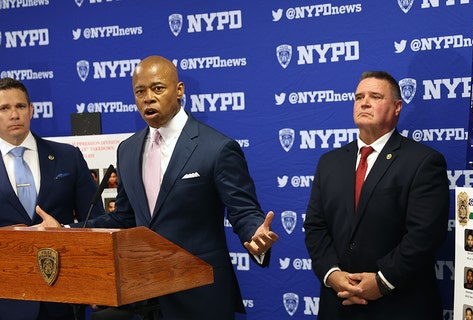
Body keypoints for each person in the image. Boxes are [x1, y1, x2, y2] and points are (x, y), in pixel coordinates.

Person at [36, 56, 278, 319]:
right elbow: (124, 217)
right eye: (140, 91)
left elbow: (243, 211)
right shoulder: (127, 149)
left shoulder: (216, 148)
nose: (148, 98)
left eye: (158, 88)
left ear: (179, 90)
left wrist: (256, 236)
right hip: (143, 297)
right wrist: (66, 230)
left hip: (199, 295)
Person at [0, 77, 104, 320]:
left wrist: (97, 283)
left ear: (31, 110)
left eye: (20, 106)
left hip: (65, 294)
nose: (14, 114)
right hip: (4, 301)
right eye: (4, 108)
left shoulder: (68, 157)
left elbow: (95, 223)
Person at [303, 71, 449, 319]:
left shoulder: (423, 161)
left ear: (397, 107)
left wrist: (382, 281)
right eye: (359, 97)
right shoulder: (329, 162)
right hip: (338, 305)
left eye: (375, 96)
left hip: (399, 305)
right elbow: (316, 227)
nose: (364, 102)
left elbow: (425, 234)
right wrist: (332, 274)